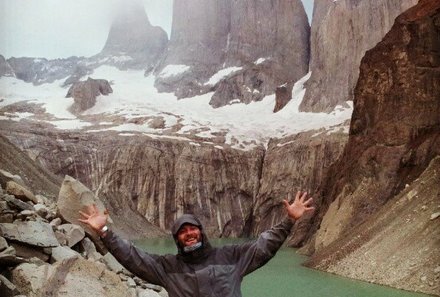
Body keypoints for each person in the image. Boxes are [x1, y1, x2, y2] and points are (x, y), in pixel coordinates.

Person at [79, 191, 315, 297]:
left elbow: (264, 245)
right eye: (183, 232)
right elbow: (133, 257)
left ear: (201, 232)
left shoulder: (231, 257)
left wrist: (289, 220)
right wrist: (104, 231)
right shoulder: (167, 267)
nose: (189, 234)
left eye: (193, 229)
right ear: (177, 239)